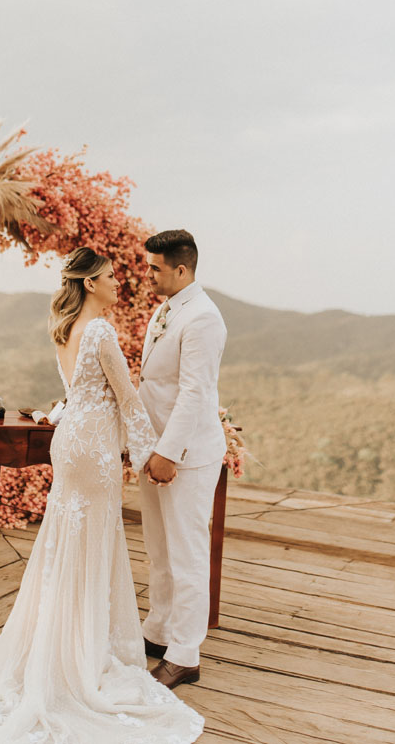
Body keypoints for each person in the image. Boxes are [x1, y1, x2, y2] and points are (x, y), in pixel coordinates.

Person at [0, 247, 204, 744]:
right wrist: (151, 455)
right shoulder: (100, 331)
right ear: (90, 283)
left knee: (66, 541)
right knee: (91, 543)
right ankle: (81, 651)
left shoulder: (64, 327)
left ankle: (62, 639)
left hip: (71, 443)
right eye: (111, 276)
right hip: (94, 450)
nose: (118, 283)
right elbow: (127, 398)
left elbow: (80, 391)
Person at [138, 230, 227, 689]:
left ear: (181, 268)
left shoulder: (204, 318)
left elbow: (194, 393)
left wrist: (168, 453)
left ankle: (185, 655)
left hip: (185, 456)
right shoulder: (167, 307)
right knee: (159, 548)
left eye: (155, 268)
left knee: (187, 554)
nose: (148, 275)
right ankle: (159, 630)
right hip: (154, 448)